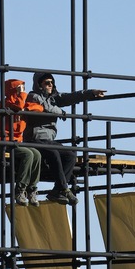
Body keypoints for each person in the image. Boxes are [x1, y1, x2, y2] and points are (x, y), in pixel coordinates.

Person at [22, 71, 106, 205]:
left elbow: (71, 97)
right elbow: (46, 108)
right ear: (39, 85)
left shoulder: (53, 98)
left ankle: (57, 190)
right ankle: (65, 189)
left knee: (70, 154)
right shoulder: (33, 96)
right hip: (34, 139)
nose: (50, 85)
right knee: (54, 153)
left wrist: (91, 93)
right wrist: (62, 112)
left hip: (48, 140)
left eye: (51, 82)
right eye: (47, 83)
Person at [0, 78, 43, 206]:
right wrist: (22, 97)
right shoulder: (6, 102)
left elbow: (39, 108)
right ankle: (20, 189)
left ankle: (32, 189)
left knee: (37, 154)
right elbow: (17, 106)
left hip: (15, 142)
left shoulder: (22, 103)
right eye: (20, 88)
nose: (22, 91)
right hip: (1, 142)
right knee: (28, 154)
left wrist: (26, 109)